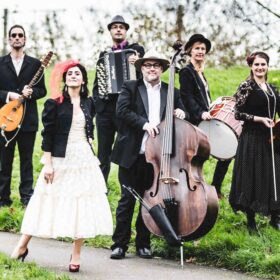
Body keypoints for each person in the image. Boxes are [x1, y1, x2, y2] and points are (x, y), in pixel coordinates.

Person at [11, 61, 113, 272]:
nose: (73, 76)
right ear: (65, 79)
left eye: (77, 73)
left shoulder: (89, 102)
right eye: (70, 74)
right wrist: (48, 164)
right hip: (59, 159)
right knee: (44, 201)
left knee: (81, 204)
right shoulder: (54, 103)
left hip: (83, 159)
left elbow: (89, 125)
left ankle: (76, 254)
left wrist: (89, 139)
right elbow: (47, 135)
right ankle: (21, 246)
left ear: (83, 79)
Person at [110, 50, 187, 259]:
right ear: (141, 68)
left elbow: (181, 113)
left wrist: (181, 112)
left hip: (157, 159)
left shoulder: (172, 91)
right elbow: (122, 111)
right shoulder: (130, 87)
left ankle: (143, 244)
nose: (151, 68)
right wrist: (144, 124)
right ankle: (119, 244)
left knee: (149, 202)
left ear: (162, 69)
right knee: (127, 200)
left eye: (155, 65)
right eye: (147, 65)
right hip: (132, 153)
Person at [229, 51, 280, 231]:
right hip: (251, 138)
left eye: (263, 64)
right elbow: (237, 113)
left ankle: (275, 217)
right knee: (252, 176)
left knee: (273, 175)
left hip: (270, 139)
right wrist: (259, 119)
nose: (260, 68)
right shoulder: (246, 86)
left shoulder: (272, 89)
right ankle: (251, 221)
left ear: (267, 66)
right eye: (256, 64)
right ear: (251, 66)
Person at [92, 15, 145, 184]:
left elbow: (148, 77)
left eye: (121, 27)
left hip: (126, 109)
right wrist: (99, 106)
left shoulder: (136, 50)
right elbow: (97, 83)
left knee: (127, 151)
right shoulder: (104, 54)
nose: (118, 29)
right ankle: (101, 189)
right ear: (110, 31)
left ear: (126, 30)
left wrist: (139, 64)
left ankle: (128, 188)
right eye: (115, 27)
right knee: (103, 154)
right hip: (106, 111)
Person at [179, 33, 231, 198]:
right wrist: (201, 113)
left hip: (206, 117)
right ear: (190, 51)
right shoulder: (186, 72)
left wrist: (213, 106)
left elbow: (202, 97)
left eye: (203, 49)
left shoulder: (200, 72)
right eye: (197, 48)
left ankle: (215, 187)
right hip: (196, 121)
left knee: (227, 152)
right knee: (195, 159)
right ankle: (193, 190)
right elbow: (187, 97)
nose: (200, 51)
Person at [0, 25, 47, 207]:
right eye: (14, 35)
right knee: (5, 160)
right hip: (6, 119)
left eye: (20, 35)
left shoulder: (36, 64)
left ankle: (27, 197)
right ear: (9, 40)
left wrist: (31, 92)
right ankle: (3, 199)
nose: (17, 38)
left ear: (25, 39)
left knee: (26, 161)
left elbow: (42, 90)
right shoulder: (0, 62)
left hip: (27, 120)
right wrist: (8, 95)